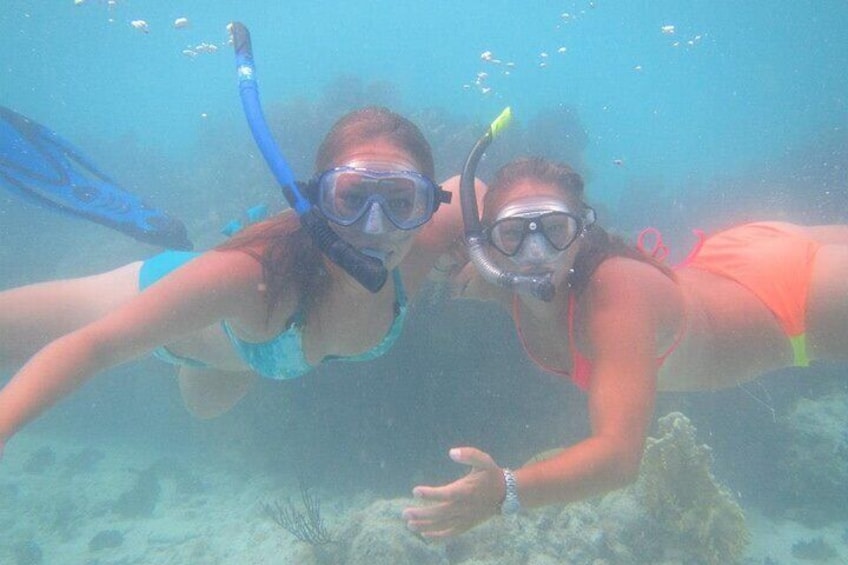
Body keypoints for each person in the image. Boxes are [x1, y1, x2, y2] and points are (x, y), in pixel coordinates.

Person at [402, 155, 848, 538]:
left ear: (581, 232)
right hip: (737, 255)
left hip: (798, 301)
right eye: (514, 233)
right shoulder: (498, 279)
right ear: (487, 244)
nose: (535, 252)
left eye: (555, 229)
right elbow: (468, 188)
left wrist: (505, 491)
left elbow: (618, 457)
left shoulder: (617, 296)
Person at [0, 106, 467, 458]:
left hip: (230, 361)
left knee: (204, 408)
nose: (374, 226)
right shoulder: (256, 273)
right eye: (351, 199)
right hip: (169, 293)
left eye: (401, 202)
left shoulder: (424, 246)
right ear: (314, 202)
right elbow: (94, 347)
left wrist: (483, 252)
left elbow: (477, 191)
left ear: (430, 207)